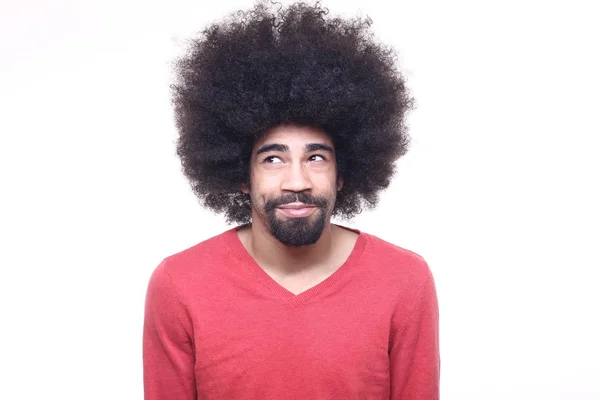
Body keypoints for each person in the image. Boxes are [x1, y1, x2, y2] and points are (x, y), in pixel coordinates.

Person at [143, 1, 440, 399]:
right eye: (273, 158)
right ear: (242, 175)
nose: (296, 180)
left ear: (343, 174)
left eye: (316, 157)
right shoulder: (179, 284)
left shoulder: (404, 279)